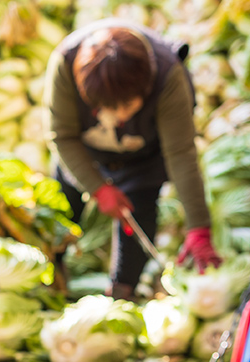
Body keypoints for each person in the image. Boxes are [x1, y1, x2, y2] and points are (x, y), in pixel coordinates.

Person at [44, 20, 222, 300]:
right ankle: (49, 275)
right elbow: (62, 137)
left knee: (139, 217)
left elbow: (180, 154)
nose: (119, 118)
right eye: (107, 108)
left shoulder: (169, 77)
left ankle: (121, 294)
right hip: (84, 151)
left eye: (127, 107)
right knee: (62, 211)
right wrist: (97, 188)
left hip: (144, 158)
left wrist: (198, 226)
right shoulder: (65, 65)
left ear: (147, 87)